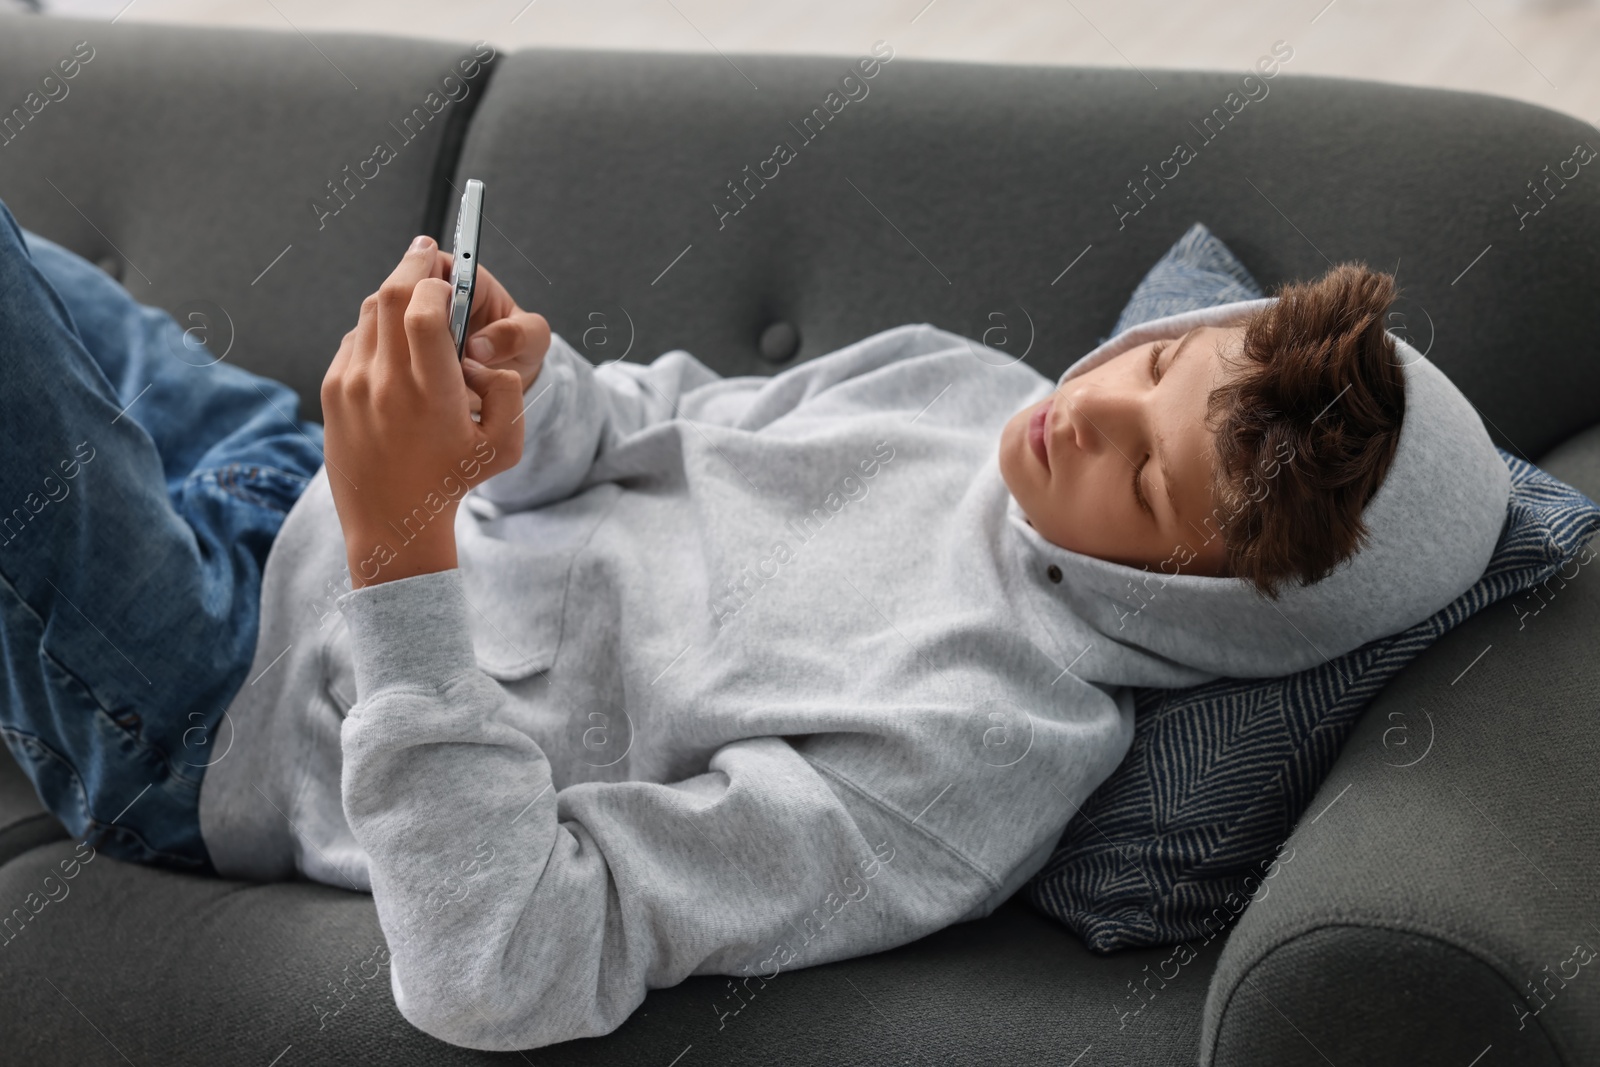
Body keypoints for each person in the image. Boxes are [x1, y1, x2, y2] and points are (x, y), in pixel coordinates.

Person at [0, 199, 1509, 1051]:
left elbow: (505, 962)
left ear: (1197, 605)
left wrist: (405, 554)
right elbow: (668, 421)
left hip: (212, 700)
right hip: (286, 465)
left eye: (1142, 468)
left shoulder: (973, 762)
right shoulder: (968, 392)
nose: (1088, 405)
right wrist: (529, 402)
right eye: (1160, 359)